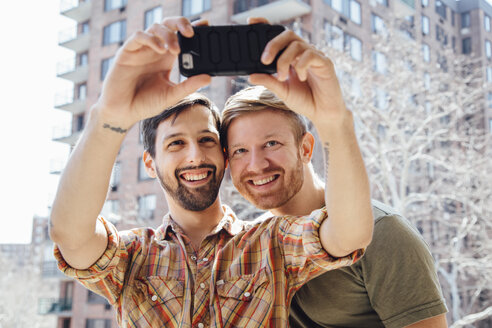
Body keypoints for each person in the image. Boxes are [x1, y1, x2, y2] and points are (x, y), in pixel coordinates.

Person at [49, 16, 372, 327]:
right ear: (150, 163)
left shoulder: (271, 241)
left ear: (224, 156)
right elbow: (70, 236)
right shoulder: (132, 254)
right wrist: (110, 116)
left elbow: (349, 234)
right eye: (176, 144)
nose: (195, 156)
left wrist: (334, 120)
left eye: (206, 140)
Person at [220, 19, 448, 328]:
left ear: (306, 148)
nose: (257, 164)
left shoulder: (384, 233)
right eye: (240, 151)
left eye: (271, 144)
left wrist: (334, 117)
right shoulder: (252, 245)